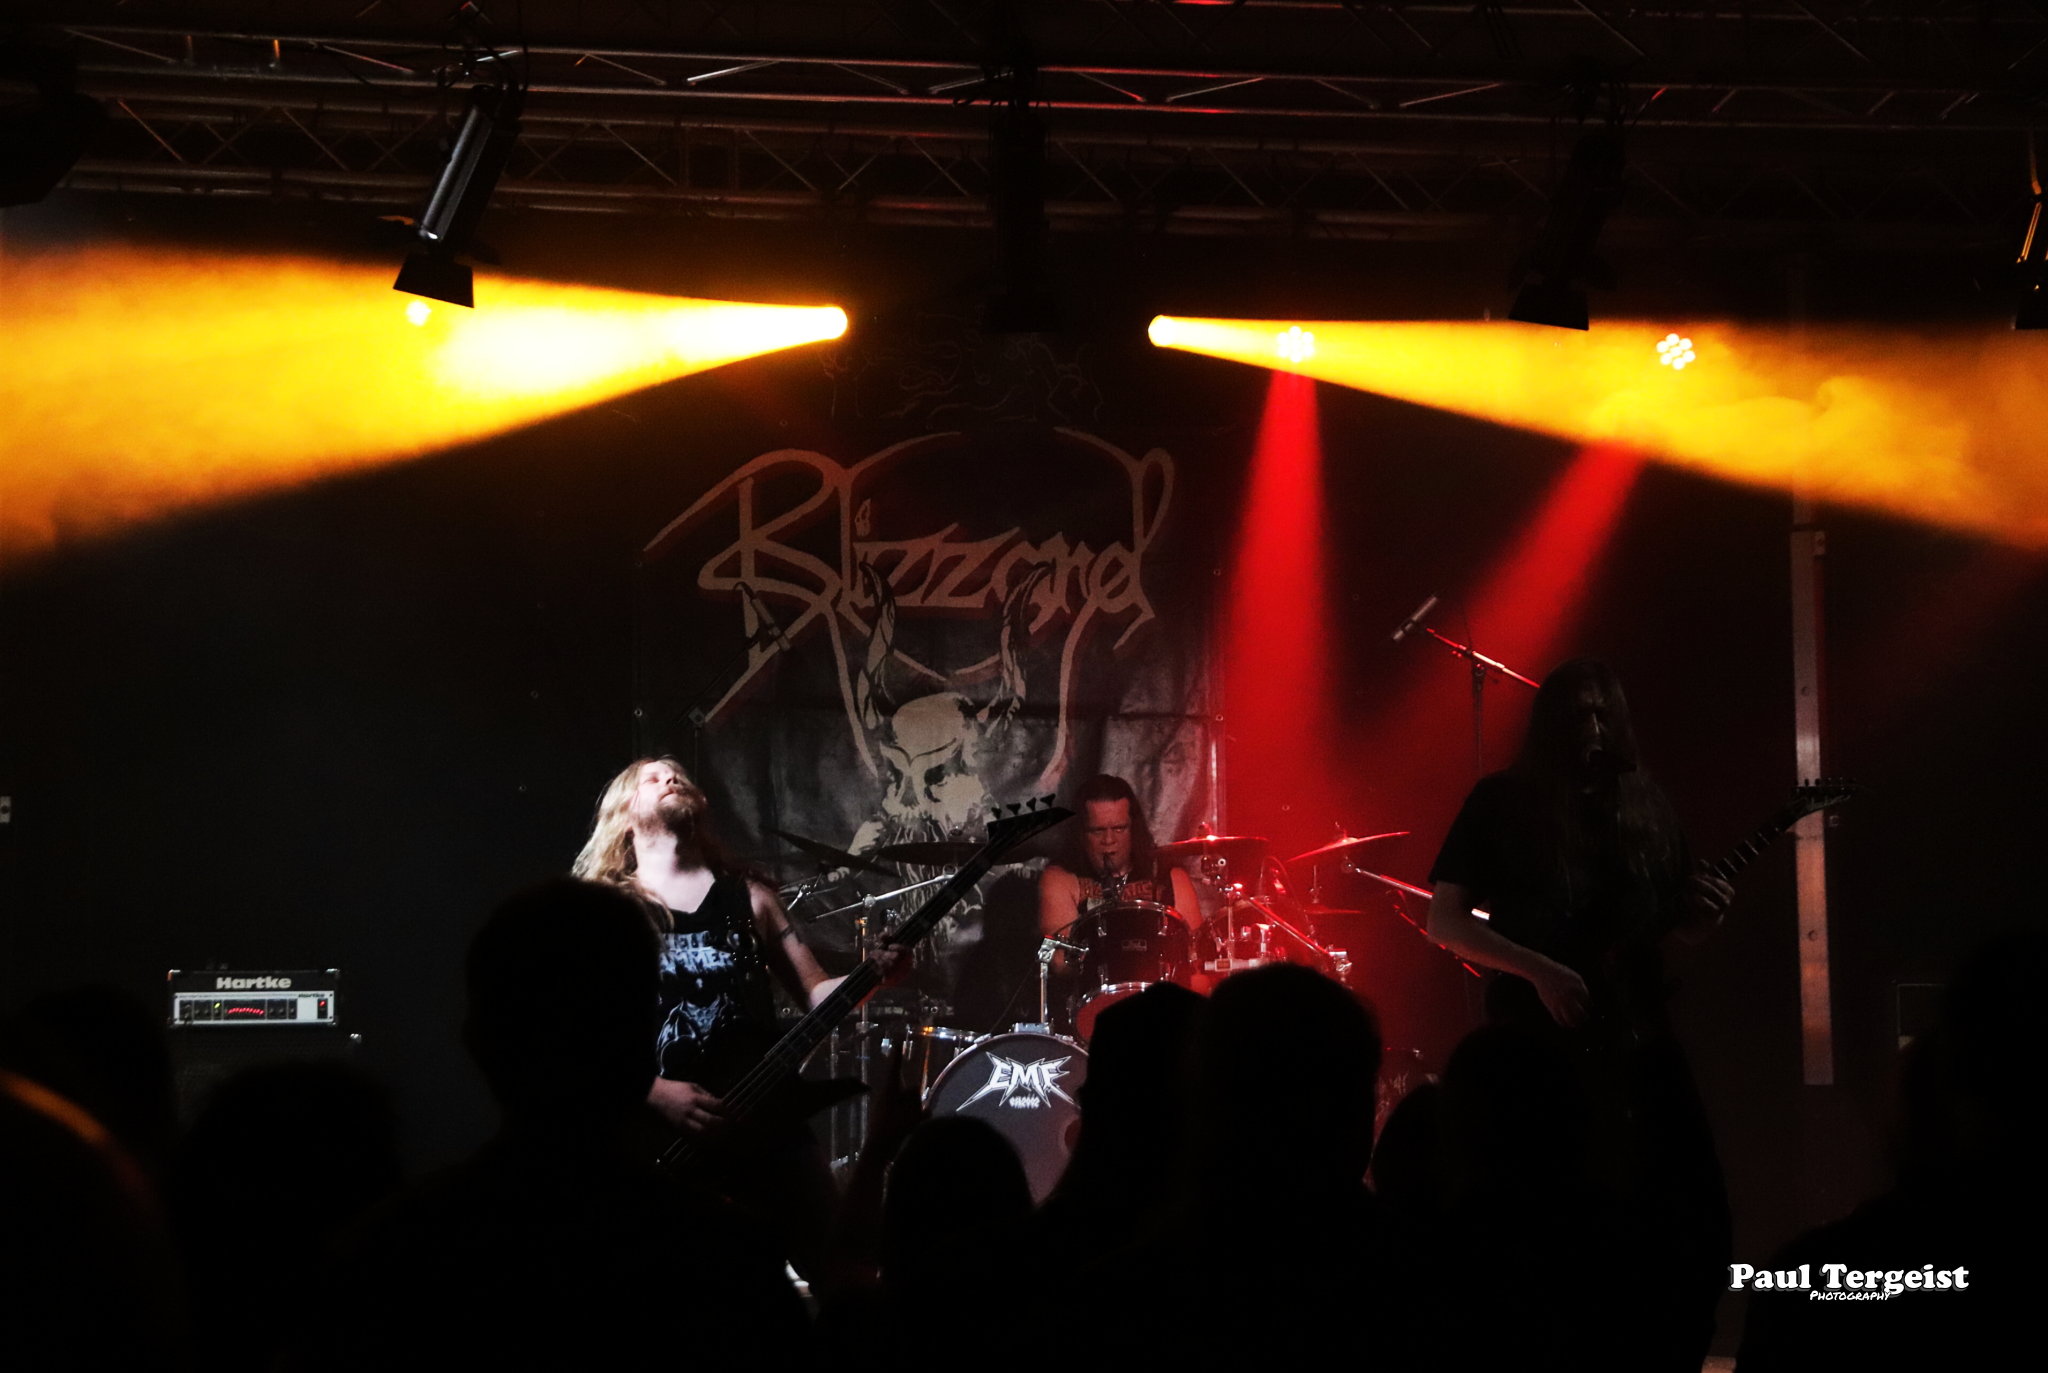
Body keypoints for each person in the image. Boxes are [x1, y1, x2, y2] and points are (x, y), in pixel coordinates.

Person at [1422, 657, 1734, 1372]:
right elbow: (1445, 921)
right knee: (1547, 1209)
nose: (1592, 728)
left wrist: (1704, 918)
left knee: (1684, 1200)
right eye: (1578, 714)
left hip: (1639, 1037)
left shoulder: (1646, 804)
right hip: (1536, 1046)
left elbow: (1672, 925)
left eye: (1603, 713)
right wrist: (1538, 969)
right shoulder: (1502, 801)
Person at [571, 756, 903, 1137]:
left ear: (702, 802)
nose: (671, 781)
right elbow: (576, 1025)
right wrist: (653, 1092)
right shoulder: (606, 909)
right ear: (624, 815)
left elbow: (815, 993)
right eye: (653, 780)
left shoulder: (752, 898)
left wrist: (875, 975)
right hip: (657, 1134)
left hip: (761, 1119)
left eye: (678, 777)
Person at [1037, 773, 1200, 946]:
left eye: (1119, 829)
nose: (1109, 840)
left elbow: (1195, 950)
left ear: (1133, 829)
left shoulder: (1170, 877)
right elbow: (1060, 956)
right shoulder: (1061, 878)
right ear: (1082, 834)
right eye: (1097, 831)